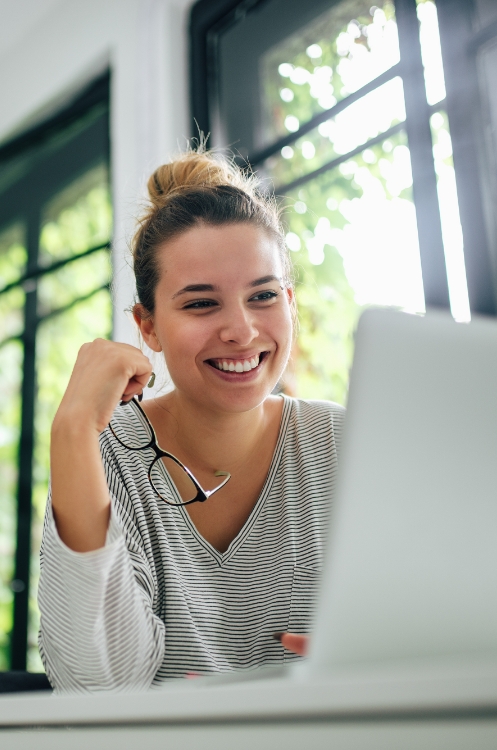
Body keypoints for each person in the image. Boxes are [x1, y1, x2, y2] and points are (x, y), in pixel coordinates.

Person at [38, 149, 344, 692]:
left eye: (264, 296)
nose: (242, 331)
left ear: (290, 303)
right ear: (148, 326)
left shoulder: (346, 446)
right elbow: (98, 690)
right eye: (202, 304)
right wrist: (71, 430)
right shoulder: (107, 455)